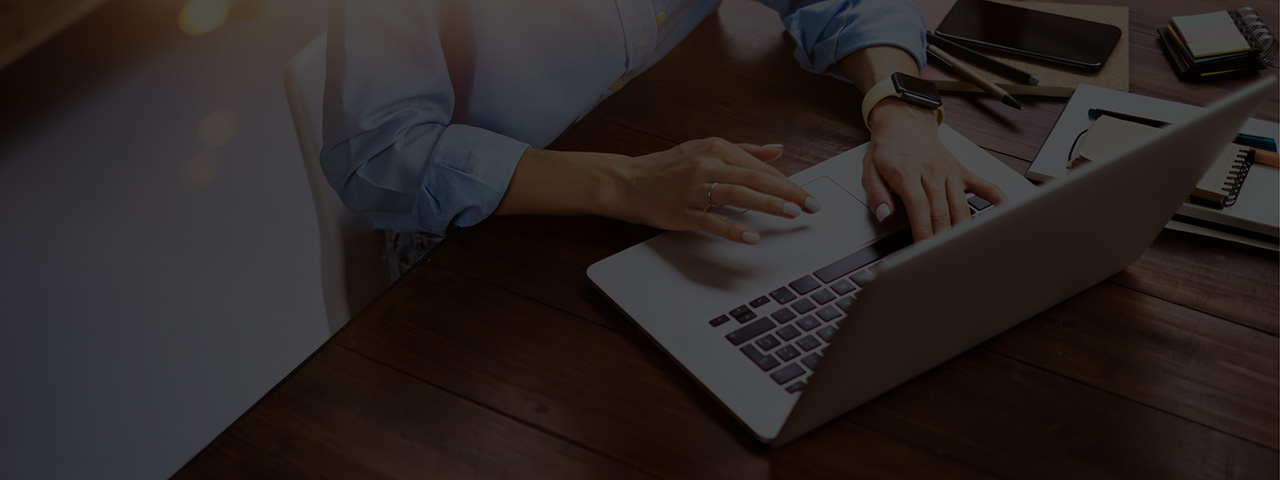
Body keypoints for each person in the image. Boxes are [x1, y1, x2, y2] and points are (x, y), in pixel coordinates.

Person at [322, 0, 1007, 275]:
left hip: (678, 160)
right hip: (488, 232)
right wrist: (625, 182)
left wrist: (903, 110)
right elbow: (378, 150)